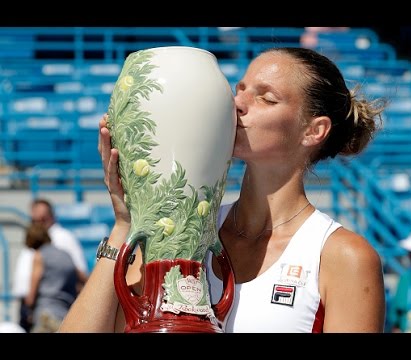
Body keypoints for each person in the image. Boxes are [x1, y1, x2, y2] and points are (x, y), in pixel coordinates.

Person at [60, 47, 386, 333]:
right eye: (239, 89)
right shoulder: (179, 231)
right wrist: (126, 225)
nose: (238, 104)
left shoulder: (342, 257)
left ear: (314, 131)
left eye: (266, 97)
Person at [12, 198, 88, 332]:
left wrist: (30, 304)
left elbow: (80, 274)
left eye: (41, 217)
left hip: (44, 310)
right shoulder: (56, 251)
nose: (38, 220)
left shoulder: (61, 239)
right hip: (51, 309)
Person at [22, 223, 80, 333]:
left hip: (46, 316)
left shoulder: (39, 256)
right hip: (66, 315)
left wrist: (28, 308)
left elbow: (31, 295)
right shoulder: (66, 254)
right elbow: (82, 279)